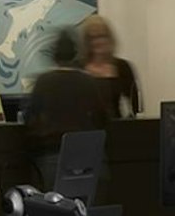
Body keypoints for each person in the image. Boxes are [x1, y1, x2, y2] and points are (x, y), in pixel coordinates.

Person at [24, 29, 111, 188]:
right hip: (88, 156)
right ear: (75, 54)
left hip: (52, 156)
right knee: (87, 209)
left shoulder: (44, 82)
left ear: (54, 55)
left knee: (53, 209)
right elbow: (102, 118)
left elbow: (30, 118)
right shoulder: (88, 81)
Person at [77, 14, 141, 118]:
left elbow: (135, 106)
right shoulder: (78, 68)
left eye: (101, 36)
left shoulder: (122, 67)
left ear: (109, 38)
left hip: (116, 128)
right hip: (85, 130)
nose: (97, 42)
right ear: (86, 41)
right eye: (92, 37)